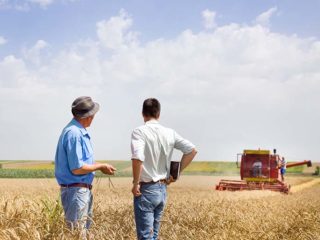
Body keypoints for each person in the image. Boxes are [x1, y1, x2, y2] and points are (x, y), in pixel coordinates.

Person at [131, 98, 197, 240]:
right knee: (153, 236)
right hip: (162, 190)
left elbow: (137, 158)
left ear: (143, 113)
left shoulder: (139, 132)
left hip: (147, 189)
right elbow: (192, 151)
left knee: (145, 237)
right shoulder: (170, 133)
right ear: (159, 114)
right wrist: (176, 173)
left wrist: (136, 183)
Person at [55, 96, 116, 236]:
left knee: (82, 233)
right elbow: (77, 168)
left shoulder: (76, 131)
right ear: (88, 116)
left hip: (78, 191)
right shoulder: (74, 134)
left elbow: (82, 164)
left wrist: (100, 166)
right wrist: (100, 166)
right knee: (77, 234)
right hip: (76, 192)